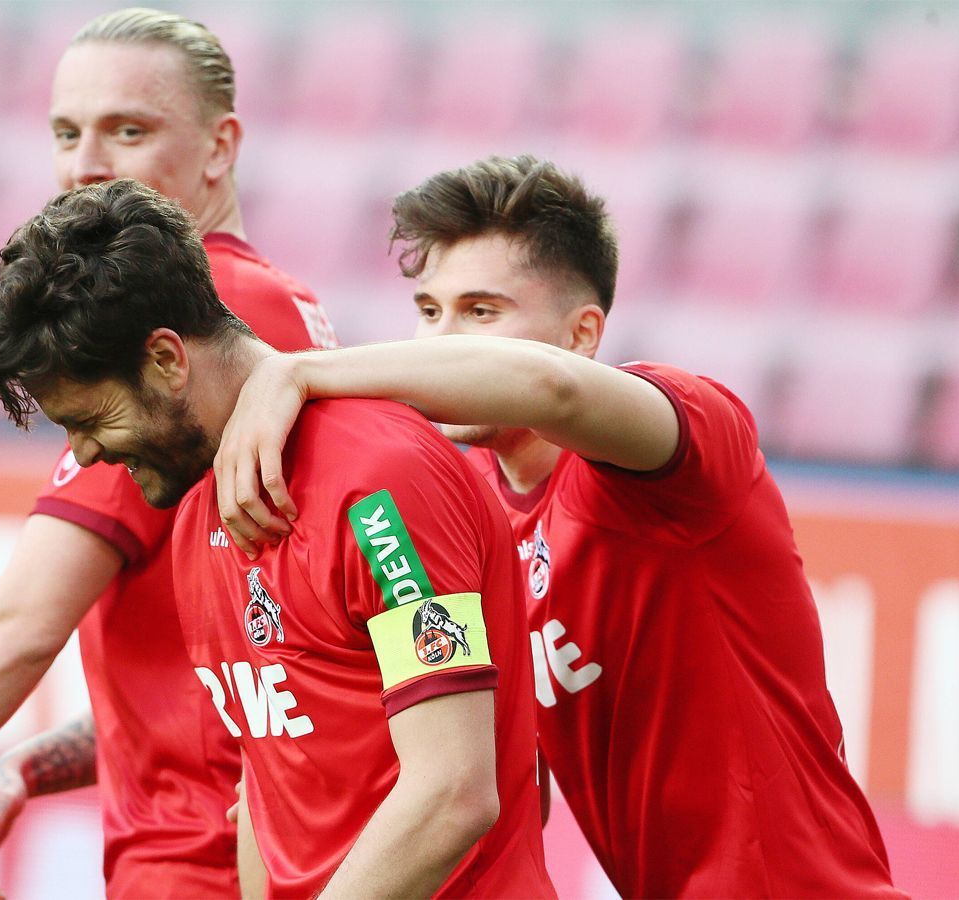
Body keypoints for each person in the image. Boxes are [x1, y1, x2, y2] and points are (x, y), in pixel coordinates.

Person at [214, 156, 905, 898]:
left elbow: (555, 391)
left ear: (581, 334)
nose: (440, 340)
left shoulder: (686, 446)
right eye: (427, 311)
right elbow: (509, 787)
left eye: (481, 312)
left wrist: (299, 372)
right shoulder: (460, 510)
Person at [0, 10, 336, 900]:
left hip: (203, 860)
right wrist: (42, 762)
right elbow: (223, 649)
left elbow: (20, 625)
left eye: (129, 130)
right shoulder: (274, 303)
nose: (85, 164)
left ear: (220, 147)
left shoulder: (201, 319)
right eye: (66, 132)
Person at [0, 178, 556, 899]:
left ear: (165, 360)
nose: (85, 455)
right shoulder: (197, 519)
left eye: (90, 420)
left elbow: (454, 794)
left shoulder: (378, 485)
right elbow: (266, 795)